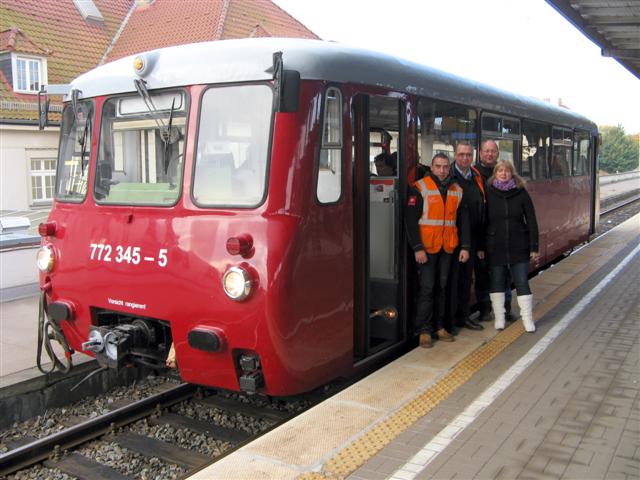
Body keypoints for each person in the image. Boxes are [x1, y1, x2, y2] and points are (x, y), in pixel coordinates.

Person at [405, 153, 470, 348]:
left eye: (444, 167)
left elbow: (463, 221)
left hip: (447, 247)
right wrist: (417, 248)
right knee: (427, 289)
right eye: (438, 166)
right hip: (426, 249)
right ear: (431, 168)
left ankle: (439, 326)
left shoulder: (457, 190)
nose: (442, 170)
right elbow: (410, 221)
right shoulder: (420, 188)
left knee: (442, 288)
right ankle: (423, 330)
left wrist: (465, 246)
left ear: (449, 168)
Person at [485, 160, 539, 332]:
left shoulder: (521, 192)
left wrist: (534, 247)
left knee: (522, 282)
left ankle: (527, 320)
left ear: (512, 173)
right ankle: (499, 318)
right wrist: (481, 246)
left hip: (519, 245)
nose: (503, 173)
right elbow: (483, 221)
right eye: (500, 171)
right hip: (496, 246)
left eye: (507, 171)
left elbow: (531, 220)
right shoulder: (489, 193)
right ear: (495, 173)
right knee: (497, 282)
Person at [474, 140, 514, 322]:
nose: (489, 154)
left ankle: (506, 309)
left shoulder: (504, 174)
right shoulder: (473, 175)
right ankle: (484, 309)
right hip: (483, 233)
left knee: (504, 274)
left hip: (502, 236)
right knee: (482, 275)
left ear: (497, 154)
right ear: (480, 153)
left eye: (493, 151)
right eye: (486, 151)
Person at [448, 142, 485, 332]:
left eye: (468, 155)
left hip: (470, 239)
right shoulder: (448, 176)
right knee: (451, 281)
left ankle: (463, 316)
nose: (465, 158)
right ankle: (450, 320)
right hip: (450, 238)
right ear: (455, 155)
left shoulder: (475, 176)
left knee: (464, 280)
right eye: (461, 154)